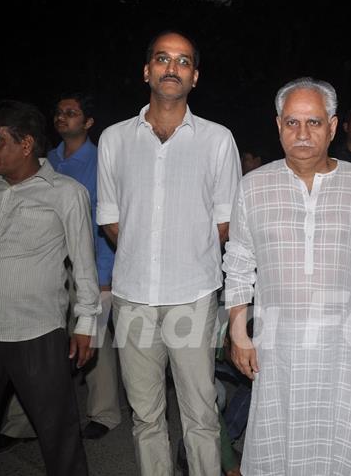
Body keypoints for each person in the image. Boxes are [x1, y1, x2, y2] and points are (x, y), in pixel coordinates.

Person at [223, 76, 351, 475]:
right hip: (275, 348)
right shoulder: (253, 186)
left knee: (335, 448)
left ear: (333, 127)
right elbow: (238, 264)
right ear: (278, 125)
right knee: (275, 444)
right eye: (291, 123)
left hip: (341, 350)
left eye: (314, 123)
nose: (302, 133)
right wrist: (238, 333)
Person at [96, 30, 241, 476]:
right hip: (133, 295)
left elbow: (225, 223)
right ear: (147, 71)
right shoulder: (115, 139)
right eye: (162, 59)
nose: (171, 68)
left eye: (182, 61)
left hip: (193, 294)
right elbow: (111, 219)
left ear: (194, 77)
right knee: (146, 416)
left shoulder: (217, 139)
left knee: (199, 415)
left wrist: (178, 257)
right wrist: (147, 252)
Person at [0, 99, 99, 475]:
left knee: (57, 432)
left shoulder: (66, 193)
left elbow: (83, 264)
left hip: (35, 332)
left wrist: (85, 325)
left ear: (26, 144)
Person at [0, 92, 120, 448]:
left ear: (89, 122)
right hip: (45, 266)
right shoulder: (43, 160)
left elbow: (108, 221)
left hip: (91, 265)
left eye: (71, 112)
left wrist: (104, 275)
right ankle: (21, 421)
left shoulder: (100, 162)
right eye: (59, 112)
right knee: (35, 342)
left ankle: (103, 413)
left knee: (94, 339)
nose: (62, 117)